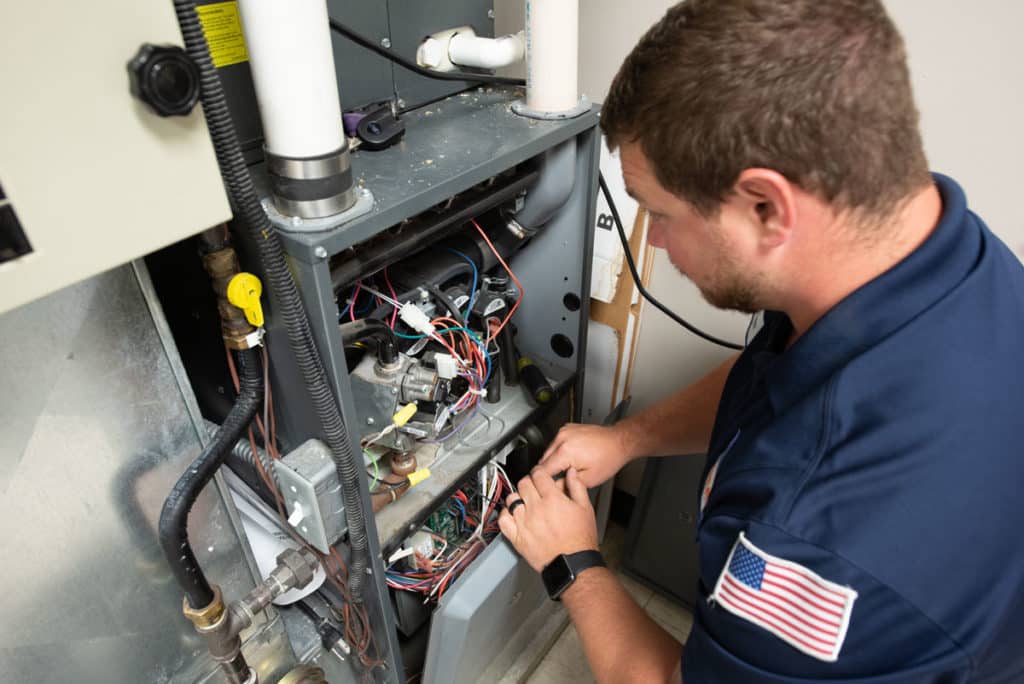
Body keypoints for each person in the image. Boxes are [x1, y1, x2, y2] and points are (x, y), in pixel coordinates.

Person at [497, 0, 1024, 682]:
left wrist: (573, 565)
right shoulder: (942, 256)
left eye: (657, 212)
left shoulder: (819, 551)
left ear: (766, 208)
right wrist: (627, 439)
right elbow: (780, 372)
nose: (652, 240)